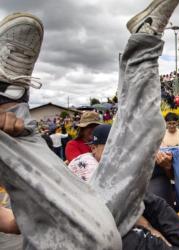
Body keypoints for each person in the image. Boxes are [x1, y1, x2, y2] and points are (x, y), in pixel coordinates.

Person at [0, 13, 121, 249]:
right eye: (89, 128)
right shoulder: (76, 148)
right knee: (99, 237)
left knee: (93, 237)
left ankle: (9, 105)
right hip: (79, 191)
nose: (91, 133)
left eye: (94, 128)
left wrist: (15, 219)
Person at [69, 124, 179, 249]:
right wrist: (153, 232)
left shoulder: (112, 164)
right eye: (114, 146)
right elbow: (124, 205)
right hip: (125, 230)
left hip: (135, 218)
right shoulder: (89, 164)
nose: (120, 150)